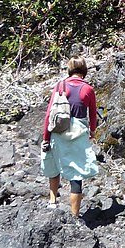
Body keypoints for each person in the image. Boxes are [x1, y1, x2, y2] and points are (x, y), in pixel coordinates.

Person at [41, 55, 98, 217]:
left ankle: (52, 202)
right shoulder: (88, 89)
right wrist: (92, 132)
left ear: (70, 69)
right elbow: (92, 115)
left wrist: (46, 137)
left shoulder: (60, 85)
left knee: (54, 164)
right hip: (78, 132)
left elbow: (49, 115)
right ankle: (75, 215)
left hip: (58, 130)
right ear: (84, 70)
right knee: (76, 174)